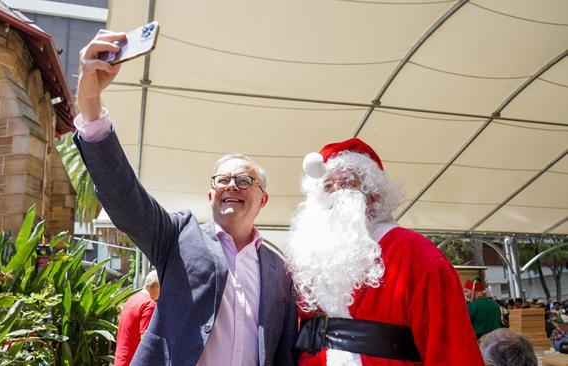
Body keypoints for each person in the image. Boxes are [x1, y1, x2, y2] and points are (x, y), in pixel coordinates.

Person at [72, 30, 297, 366]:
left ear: (263, 200)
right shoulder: (179, 237)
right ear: (211, 194)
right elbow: (126, 199)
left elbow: (283, 354)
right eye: (223, 179)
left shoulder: (280, 271)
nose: (232, 185)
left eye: (244, 180)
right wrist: (90, 105)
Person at [284, 138, 483, 365]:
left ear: (374, 196)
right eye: (328, 186)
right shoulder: (309, 257)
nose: (336, 193)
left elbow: (450, 349)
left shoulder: (416, 254)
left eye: (347, 183)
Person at [114, 270, 160, 366]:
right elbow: (147, 343)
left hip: (120, 360)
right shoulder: (149, 305)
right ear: (155, 286)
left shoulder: (131, 300)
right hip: (133, 361)